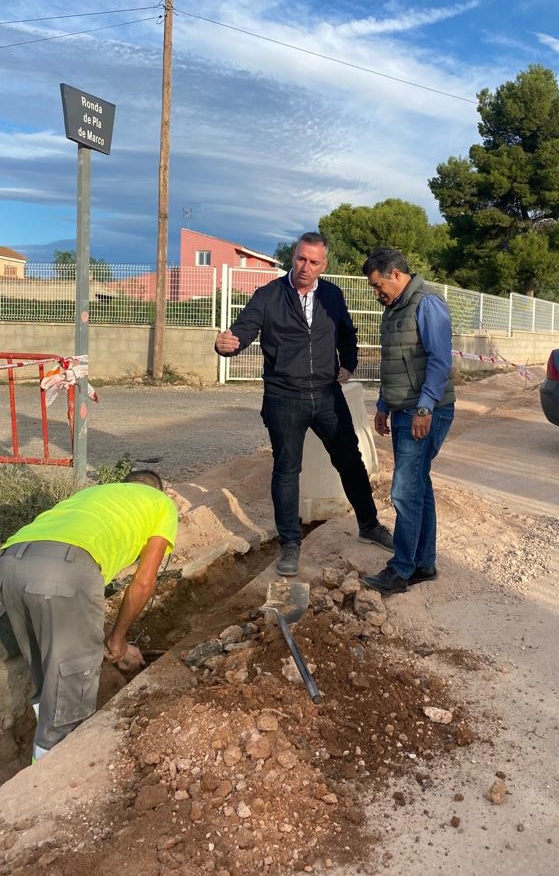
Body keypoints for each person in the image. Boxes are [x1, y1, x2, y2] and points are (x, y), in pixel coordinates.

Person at [214, 232, 392, 576]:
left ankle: (369, 525)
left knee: (351, 461)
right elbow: (243, 329)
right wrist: (228, 345)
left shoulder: (332, 296)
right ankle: (290, 544)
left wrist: (348, 364)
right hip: (284, 397)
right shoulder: (268, 296)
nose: (305, 267)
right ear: (293, 257)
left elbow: (347, 334)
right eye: (300, 259)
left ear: (324, 266)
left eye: (313, 262)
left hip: (327, 394)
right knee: (286, 470)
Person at [0, 469, 177, 762]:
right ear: (159, 491)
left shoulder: (93, 496)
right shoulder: (161, 504)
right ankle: (48, 780)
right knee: (70, 692)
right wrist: (118, 642)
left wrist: (105, 632)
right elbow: (144, 582)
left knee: (46, 672)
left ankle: (42, 739)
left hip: (11, 562)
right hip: (65, 570)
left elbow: (72, 605)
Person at [360, 247, 455, 594]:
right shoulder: (394, 309)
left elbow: (440, 361)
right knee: (418, 487)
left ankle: (401, 570)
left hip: (425, 412)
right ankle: (423, 564)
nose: (376, 292)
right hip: (404, 410)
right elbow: (394, 363)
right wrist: (384, 404)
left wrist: (425, 408)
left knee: (404, 491)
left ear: (396, 275)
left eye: (377, 285)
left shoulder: (427, 303)